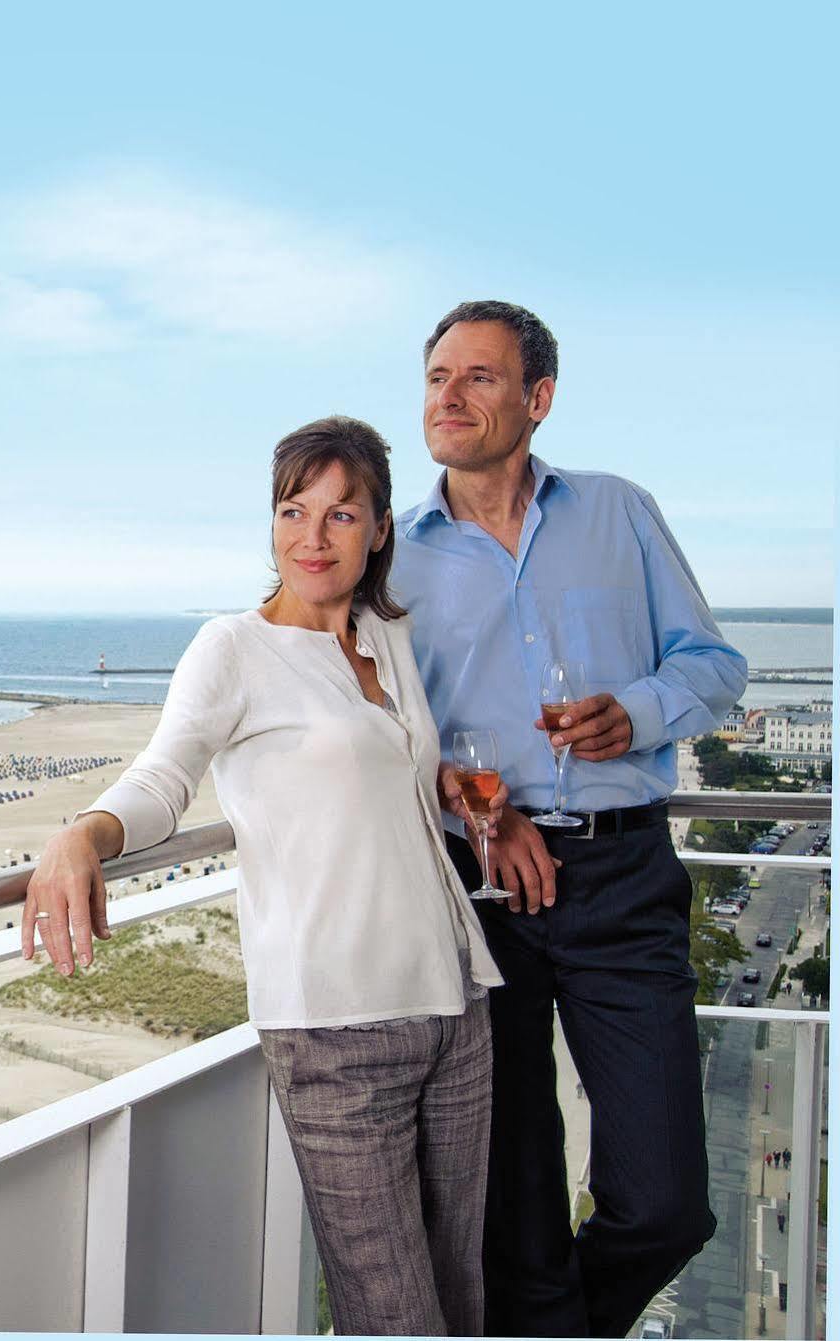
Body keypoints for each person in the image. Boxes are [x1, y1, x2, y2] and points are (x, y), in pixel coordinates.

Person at [23, 416, 505, 1335]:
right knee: (394, 1317)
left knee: (462, 1299)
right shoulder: (232, 648)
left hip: (457, 1005)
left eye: (340, 514)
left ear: (378, 529)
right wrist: (83, 832)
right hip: (334, 1026)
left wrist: (441, 781)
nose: (312, 538)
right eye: (293, 511)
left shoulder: (384, 636)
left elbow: (386, 769)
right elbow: (165, 777)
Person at [389, 300, 746, 1337]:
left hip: (624, 879)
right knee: (518, 1214)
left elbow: (714, 666)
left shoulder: (618, 512)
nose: (447, 398)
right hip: (473, 891)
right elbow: (375, 733)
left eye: (479, 378)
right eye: (435, 377)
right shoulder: (391, 558)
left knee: (665, 1203)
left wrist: (631, 714)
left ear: (537, 399)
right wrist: (464, 796)